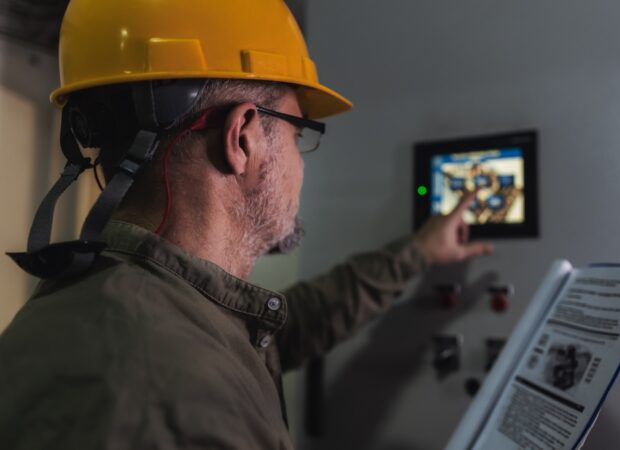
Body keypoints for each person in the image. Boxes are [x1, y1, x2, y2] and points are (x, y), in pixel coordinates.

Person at [0, 1, 493, 449]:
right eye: (299, 137)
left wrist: (420, 252)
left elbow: (285, 327)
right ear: (243, 137)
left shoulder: (110, 300)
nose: (302, 165)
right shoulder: (174, 399)